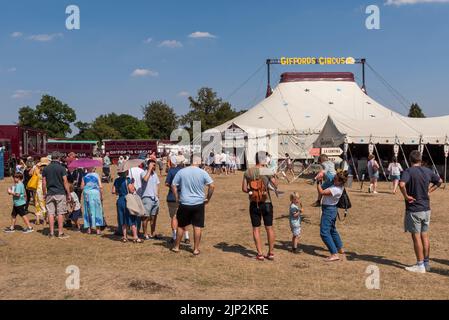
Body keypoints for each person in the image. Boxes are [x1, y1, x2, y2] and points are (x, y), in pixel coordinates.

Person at [399, 150, 442, 273]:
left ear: (409, 159)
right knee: (425, 235)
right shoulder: (428, 171)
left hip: (414, 209)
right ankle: (426, 263)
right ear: (420, 159)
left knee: (416, 237)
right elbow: (439, 181)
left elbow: (401, 184)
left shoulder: (408, 171)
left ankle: (420, 265)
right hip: (426, 208)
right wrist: (429, 191)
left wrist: (406, 196)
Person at [171, 155, 215, 256]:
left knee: (181, 226)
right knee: (197, 226)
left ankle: (177, 246)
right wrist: (208, 198)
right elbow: (212, 186)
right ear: (198, 161)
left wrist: (177, 197)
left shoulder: (182, 171)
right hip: (198, 203)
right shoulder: (202, 172)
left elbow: (173, 185)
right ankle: (195, 249)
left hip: (184, 202)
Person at [242, 151, 277, 261]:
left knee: (256, 229)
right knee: (269, 228)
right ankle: (271, 253)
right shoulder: (266, 170)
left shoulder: (248, 171)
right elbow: (275, 184)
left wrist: (252, 191)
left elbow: (243, 189)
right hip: (266, 201)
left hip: (254, 202)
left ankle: (260, 253)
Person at [316, 170, 348, 262]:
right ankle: (339, 248)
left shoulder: (336, 189)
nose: (334, 180)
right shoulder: (339, 185)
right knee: (332, 230)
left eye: (336, 180)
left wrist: (318, 182)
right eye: (334, 178)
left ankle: (334, 254)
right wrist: (323, 172)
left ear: (341, 181)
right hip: (332, 209)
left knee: (324, 232)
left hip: (329, 210)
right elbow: (328, 173)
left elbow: (321, 192)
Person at [42, 152, 71, 239]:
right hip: (60, 193)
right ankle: (60, 233)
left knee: (50, 213)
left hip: (50, 193)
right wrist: (68, 193)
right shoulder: (62, 168)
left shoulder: (46, 169)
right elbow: (65, 182)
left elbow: (43, 183)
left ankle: (51, 233)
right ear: (58, 158)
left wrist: (44, 193)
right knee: (60, 213)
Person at [112, 165, 141, 243]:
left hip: (120, 200)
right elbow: (131, 190)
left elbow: (113, 191)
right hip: (128, 200)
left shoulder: (116, 180)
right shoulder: (128, 180)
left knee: (123, 218)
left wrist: (120, 192)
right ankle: (135, 236)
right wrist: (133, 183)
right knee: (132, 218)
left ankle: (124, 236)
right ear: (126, 172)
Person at [166, 155, 190, 244]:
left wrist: (173, 188)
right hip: (185, 196)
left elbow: (167, 183)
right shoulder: (186, 171)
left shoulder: (171, 171)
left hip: (172, 196)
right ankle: (186, 236)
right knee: (185, 217)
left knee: (174, 217)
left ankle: (175, 236)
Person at [140, 159, 161, 240]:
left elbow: (157, 185)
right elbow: (145, 179)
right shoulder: (143, 173)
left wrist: (157, 196)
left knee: (154, 217)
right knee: (145, 217)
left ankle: (152, 233)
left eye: (155, 165)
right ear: (148, 165)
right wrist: (149, 169)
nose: (154, 166)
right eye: (152, 165)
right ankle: (145, 234)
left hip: (155, 199)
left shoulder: (155, 174)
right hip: (146, 198)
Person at [81, 168, 104, 235]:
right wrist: (101, 195)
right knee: (97, 210)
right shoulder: (96, 175)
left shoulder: (84, 176)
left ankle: (89, 229)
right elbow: (100, 186)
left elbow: (82, 187)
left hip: (87, 194)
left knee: (87, 210)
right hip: (95, 193)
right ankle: (98, 230)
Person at [32, 158, 49, 225]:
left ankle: (37, 219)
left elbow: (30, 173)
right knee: (44, 204)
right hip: (45, 189)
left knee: (37, 204)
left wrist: (37, 165)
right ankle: (45, 220)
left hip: (38, 189)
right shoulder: (48, 171)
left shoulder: (37, 170)